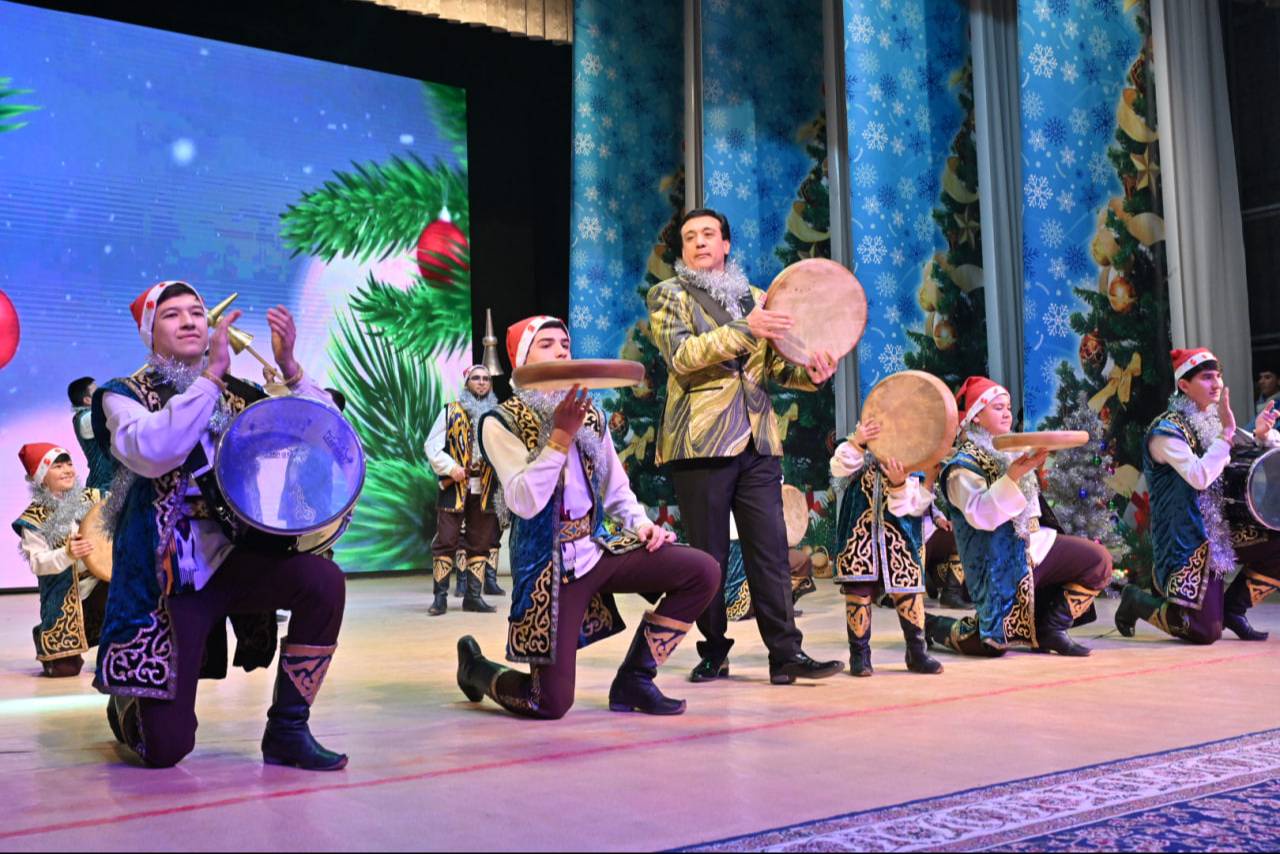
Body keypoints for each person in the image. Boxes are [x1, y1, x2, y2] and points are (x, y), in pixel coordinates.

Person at [90, 280, 347, 770]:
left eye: (196, 311)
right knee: (166, 751)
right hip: (171, 584)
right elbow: (156, 451)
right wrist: (210, 378)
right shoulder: (122, 397)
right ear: (149, 333)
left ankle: (288, 729)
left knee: (323, 581)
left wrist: (291, 368)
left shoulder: (239, 396)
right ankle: (129, 705)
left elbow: (326, 434)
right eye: (172, 314)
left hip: (237, 562)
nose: (189, 321)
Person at [455, 316, 720, 718]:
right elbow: (524, 501)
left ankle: (636, 678)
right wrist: (560, 437)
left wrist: (642, 525)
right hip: (550, 568)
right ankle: (475, 670)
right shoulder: (499, 421)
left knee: (702, 571)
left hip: (597, 548)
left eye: (565, 343)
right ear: (522, 359)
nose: (561, 351)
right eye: (547, 344)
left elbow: (616, 488)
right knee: (548, 702)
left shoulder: (591, 414)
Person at [646, 207, 843, 685]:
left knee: (771, 551)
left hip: (757, 441)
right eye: (690, 237)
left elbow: (773, 368)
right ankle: (714, 650)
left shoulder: (754, 298)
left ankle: (786, 654)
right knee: (709, 556)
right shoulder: (668, 295)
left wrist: (811, 374)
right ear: (683, 250)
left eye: (708, 234)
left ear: (726, 244)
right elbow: (682, 356)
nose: (699, 242)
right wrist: (744, 329)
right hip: (701, 443)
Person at [926, 377, 1111, 657]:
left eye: (1009, 407)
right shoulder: (961, 467)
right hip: (997, 563)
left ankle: (1052, 628)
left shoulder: (1012, 451)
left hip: (1035, 545)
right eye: (998, 407)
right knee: (991, 646)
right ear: (976, 416)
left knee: (1098, 561)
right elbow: (982, 516)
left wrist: (1027, 469)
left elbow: (1032, 509)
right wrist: (1013, 476)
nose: (1007, 413)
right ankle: (932, 625)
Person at [1116, 349, 1280, 643]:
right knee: (1204, 631)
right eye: (1206, 377)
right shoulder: (1166, 431)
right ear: (1184, 385)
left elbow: (1243, 453)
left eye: (1218, 376)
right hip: (1186, 539)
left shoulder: (1212, 421)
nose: (1216, 384)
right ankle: (1136, 601)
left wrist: (1261, 435)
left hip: (1220, 530)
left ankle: (1233, 609)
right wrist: (1226, 434)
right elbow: (1199, 476)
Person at [830, 419, 943, 676]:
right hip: (859, 536)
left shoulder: (912, 457)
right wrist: (857, 443)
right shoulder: (855, 448)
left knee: (907, 591)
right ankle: (859, 654)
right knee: (858, 589)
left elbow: (911, 507)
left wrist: (899, 484)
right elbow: (838, 468)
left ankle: (917, 652)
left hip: (901, 538)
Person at [12, 444, 109, 677]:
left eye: (69, 464)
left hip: (100, 584)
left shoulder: (93, 498)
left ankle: (112, 649)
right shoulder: (34, 519)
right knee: (65, 670)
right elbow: (37, 563)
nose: (67, 470)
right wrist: (67, 554)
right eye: (57, 466)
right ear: (41, 478)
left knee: (121, 592)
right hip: (66, 595)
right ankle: (46, 635)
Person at [424, 365, 503, 615]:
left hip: (485, 486)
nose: (481, 382)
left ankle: (473, 597)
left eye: (486, 379)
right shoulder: (450, 411)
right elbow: (431, 446)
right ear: (467, 382)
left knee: (480, 542)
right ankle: (440, 598)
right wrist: (451, 468)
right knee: (446, 540)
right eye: (476, 378)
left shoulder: (497, 415)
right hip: (455, 486)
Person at [68, 376, 118, 491]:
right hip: (104, 485)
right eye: (97, 391)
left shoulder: (91, 414)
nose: (102, 392)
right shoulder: (86, 418)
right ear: (87, 400)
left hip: (111, 479)